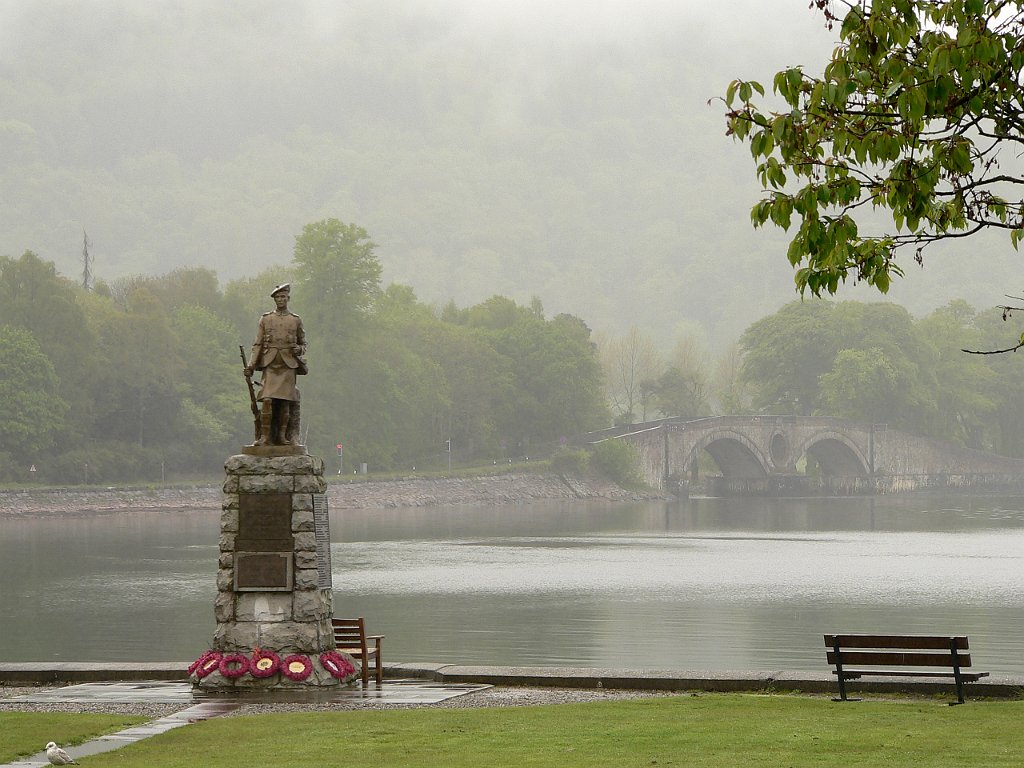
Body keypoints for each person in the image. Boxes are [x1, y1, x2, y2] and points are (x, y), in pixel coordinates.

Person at [244, 283, 306, 446]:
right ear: (274, 299)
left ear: (288, 298)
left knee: (285, 402)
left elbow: (303, 344)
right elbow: (257, 344)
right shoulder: (266, 319)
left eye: (283, 296)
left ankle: (282, 437)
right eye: (277, 297)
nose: (280, 299)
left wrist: (299, 349)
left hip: (288, 365)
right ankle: (265, 437)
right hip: (270, 364)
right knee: (267, 400)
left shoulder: (295, 320)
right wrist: (251, 365)